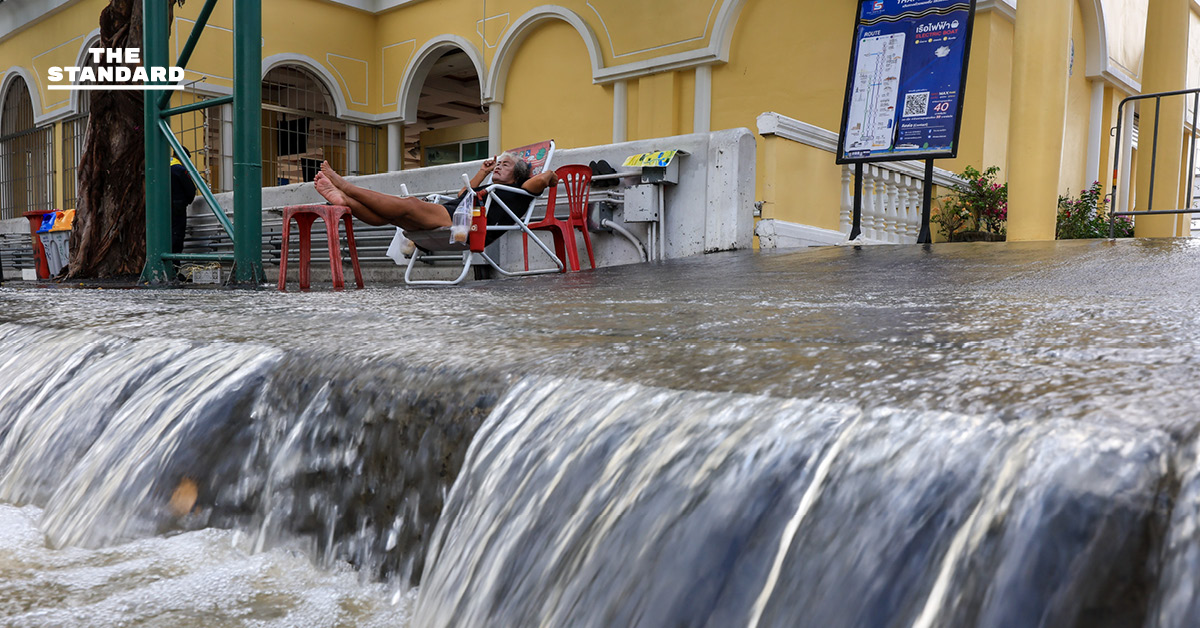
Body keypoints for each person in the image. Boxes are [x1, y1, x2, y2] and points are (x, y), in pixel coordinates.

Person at [313, 153, 558, 244]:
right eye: (498, 164)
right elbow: (465, 193)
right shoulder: (490, 186)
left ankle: (345, 186)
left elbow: (542, 179)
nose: (498, 167)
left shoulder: (519, 190)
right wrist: (482, 171)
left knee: (408, 205)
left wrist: (551, 176)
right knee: (392, 215)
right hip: (454, 214)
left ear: (517, 174)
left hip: (466, 226)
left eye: (505, 165)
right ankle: (347, 201)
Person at [170, 149, 197, 257]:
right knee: (177, 236)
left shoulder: (163, 166)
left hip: (162, 209)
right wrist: (187, 201)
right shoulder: (179, 169)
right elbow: (190, 190)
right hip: (177, 208)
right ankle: (174, 268)